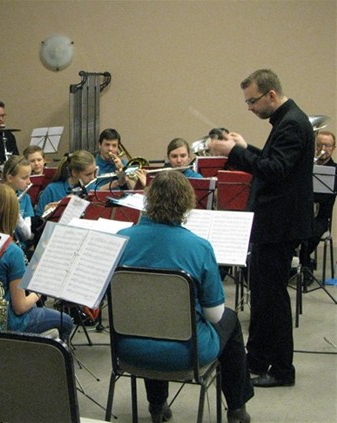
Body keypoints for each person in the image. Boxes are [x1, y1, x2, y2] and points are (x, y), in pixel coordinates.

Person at [116, 171, 253, 423]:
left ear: (148, 201)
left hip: (128, 349)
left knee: (148, 317)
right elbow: (214, 315)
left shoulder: (120, 239)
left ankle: (156, 406)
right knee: (230, 321)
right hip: (185, 354)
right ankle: (236, 409)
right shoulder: (199, 247)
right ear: (186, 205)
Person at [209, 68, 314, 388]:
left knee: (273, 301)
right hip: (274, 224)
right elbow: (273, 161)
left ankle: (282, 369)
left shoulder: (293, 123)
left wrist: (236, 153)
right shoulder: (287, 120)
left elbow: (275, 171)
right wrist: (246, 147)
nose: (250, 107)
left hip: (279, 225)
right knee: (265, 297)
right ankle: (256, 360)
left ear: (271, 95)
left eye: (252, 101)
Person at [0, 182, 73, 340]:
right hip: (11, 321)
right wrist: (38, 292)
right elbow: (20, 307)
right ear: (9, 212)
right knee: (66, 321)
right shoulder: (12, 251)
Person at [34, 150, 97, 217]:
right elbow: (37, 222)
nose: (93, 178)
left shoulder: (93, 189)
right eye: (88, 174)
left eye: (94, 172)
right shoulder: (52, 190)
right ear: (74, 173)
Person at [307, 130, 337, 266]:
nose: (323, 149)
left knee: (310, 234)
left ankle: (303, 262)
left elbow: (328, 198)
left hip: (321, 217)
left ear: (333, 148)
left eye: (327, 145)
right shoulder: (306, 166)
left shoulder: (335, 171)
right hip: (302, 213)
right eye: (319, 145)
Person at [1, 155, 34, 247]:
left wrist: (17, 216)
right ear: (10, 178)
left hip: (20, 248)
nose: (29, 181)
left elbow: (27, 235)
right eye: (24, 178)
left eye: (29, 176)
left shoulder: (25, 198)